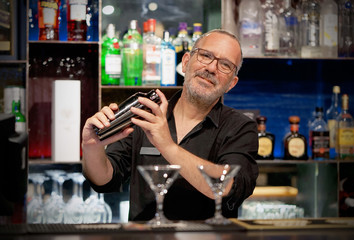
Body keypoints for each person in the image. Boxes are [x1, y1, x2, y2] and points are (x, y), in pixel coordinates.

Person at [81, 29, 259, 221]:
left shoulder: (240, 128)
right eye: (205, 56)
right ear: (185, 63)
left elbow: (231, 186)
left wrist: (167, 146)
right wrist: (91, 147)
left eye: (225, 65)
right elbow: (105, 180)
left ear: (232, 84)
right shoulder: (145, 115)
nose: (212, 68)